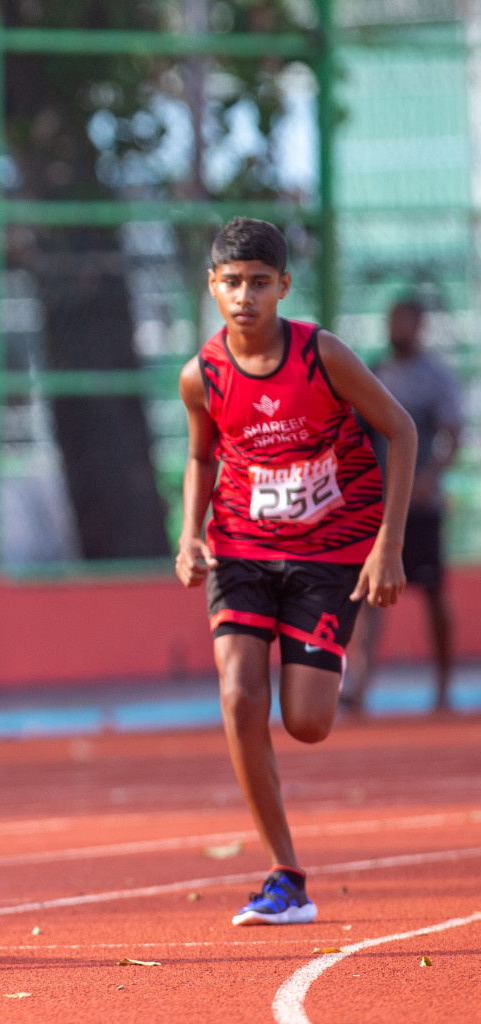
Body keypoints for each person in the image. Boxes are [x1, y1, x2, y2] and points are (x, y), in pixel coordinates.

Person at [175, 218, 415, 926]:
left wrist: (389, 545)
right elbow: (201, 458)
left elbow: (400, 429)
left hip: (330, 550)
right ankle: (284, 873)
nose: (243, 296)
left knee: (307, 722)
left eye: (257, 282)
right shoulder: (202, 374)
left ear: (282, 286)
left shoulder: (321, 356)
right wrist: (189, 534)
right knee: (239, 694)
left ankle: (329, 655)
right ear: (212, 288)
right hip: (242, 546)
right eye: (230, 283)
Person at [342, 299, 464, 713]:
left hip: (421, 506)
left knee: (432, 593)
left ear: (421, 325)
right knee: (368, 593)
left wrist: (428, 478)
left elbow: (454, 433)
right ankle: (358, 686)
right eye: (391, 319)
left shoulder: (435, 376)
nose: (397, 327)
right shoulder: (374, 371)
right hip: (376, 505)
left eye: (405, 320)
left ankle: (445, 688)